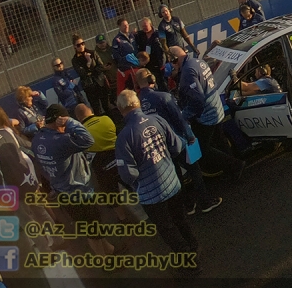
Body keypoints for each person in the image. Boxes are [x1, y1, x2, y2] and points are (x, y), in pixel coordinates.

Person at [115, 90, 200, 257]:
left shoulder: (124, 138)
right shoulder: (158, 120)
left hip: (151, 195)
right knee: (180, 219)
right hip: (172, 183)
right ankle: (193, 244)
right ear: (138, 103)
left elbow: (128, 174)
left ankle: (188, 260)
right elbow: (176, 147)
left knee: (167, 228)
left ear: (120, 110)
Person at [30, 103, 116, 254]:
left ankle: (109, 248)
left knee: (93, 227)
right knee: (92, 231)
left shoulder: (38, 140)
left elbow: (40, 166)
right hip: (78, 192)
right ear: (59, 120)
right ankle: (105, 261)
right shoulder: (60, 140)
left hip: (62, 191)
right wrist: (70, 122)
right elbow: (88, 140)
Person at [136, 70, 222, 214]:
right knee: (194, 170)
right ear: (152, 78)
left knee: (176, 174)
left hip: (159, 146)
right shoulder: (163, 97)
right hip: (177, 142)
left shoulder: (137, 104)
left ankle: (188, 205)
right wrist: (190, 137)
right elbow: (179, 120)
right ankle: (205, 202)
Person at [171, 46, 246, 180]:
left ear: (175, 60)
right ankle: (234, 169)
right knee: (220, 139)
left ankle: (236, 165)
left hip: (207, 114)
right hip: (216, 106)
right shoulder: (198, 62)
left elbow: (198, 100)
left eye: (170, 64)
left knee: (203, 149)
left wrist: (185, 115)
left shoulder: (188, 72)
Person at [73, 103, 120, 197]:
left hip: (102, 167)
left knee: (113, 199)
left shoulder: (79, 133)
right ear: (90, 110)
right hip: (120, 157)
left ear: (78, 118)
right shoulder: (106, 119)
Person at [110, 17, 141, 94]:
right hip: (128, 69)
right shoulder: (117, 40)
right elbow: (116, 56)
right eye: (124, 25)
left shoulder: (132, 35)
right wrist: (126, 61)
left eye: (127, 24)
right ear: (119, 27)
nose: (126, 26)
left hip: (137, 66)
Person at [136, 16, 167, 85]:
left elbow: (165, 46)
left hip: (159, 62)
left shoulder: (158, 33)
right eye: (142, 26)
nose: (144, 28)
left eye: (146, 26)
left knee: (163, 82)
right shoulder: (140, 35)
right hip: (148, 64)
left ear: (150, 24)